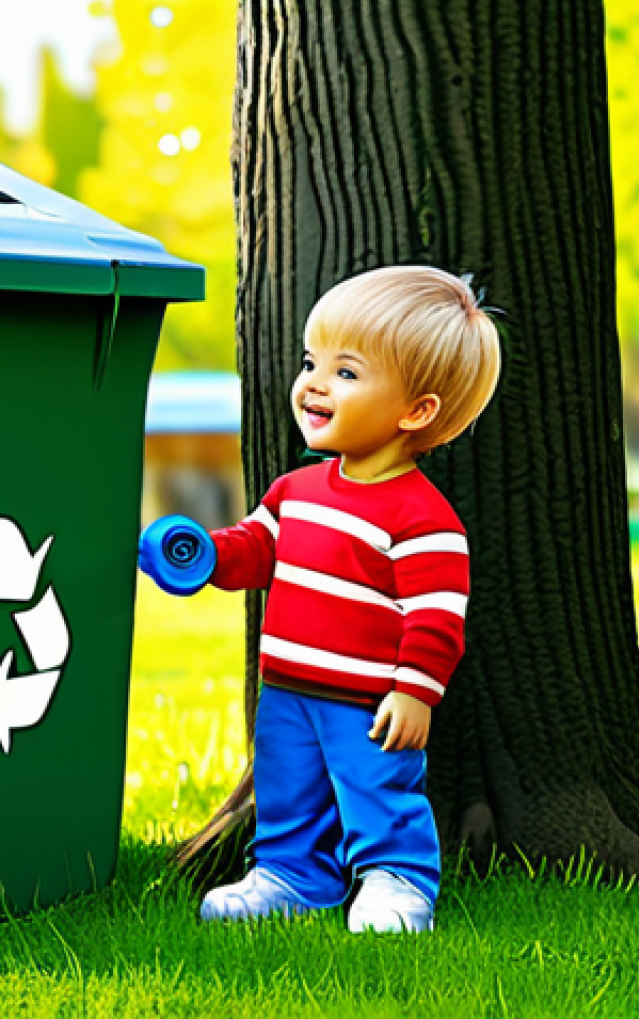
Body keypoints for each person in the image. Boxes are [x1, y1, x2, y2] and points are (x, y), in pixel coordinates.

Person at [143, 265, 501, 932]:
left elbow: (436, 616)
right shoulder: (295, 491)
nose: (313, 382)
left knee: (379, 790)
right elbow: (255, 548)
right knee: (288, 787)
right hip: (285, 686)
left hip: (367, 699)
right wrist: (202, 554)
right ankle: (290, 874)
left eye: (347, 372)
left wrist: (415, 690)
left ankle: (398, 879)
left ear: (416, 411)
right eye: (313, 362)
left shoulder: (423, 519)